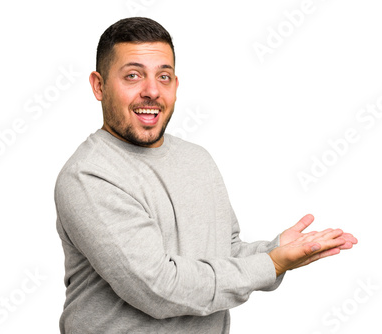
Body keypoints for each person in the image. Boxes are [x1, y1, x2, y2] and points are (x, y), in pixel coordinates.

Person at [54, 17, 357, 334]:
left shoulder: (198, 159)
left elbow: (228, 257)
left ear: (176, 85)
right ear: (99, 86)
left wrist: (276, 250)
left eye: (164, 76)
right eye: (133, 76)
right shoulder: (89, 176)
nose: (152, 91)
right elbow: (158, 288)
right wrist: (272, 264)